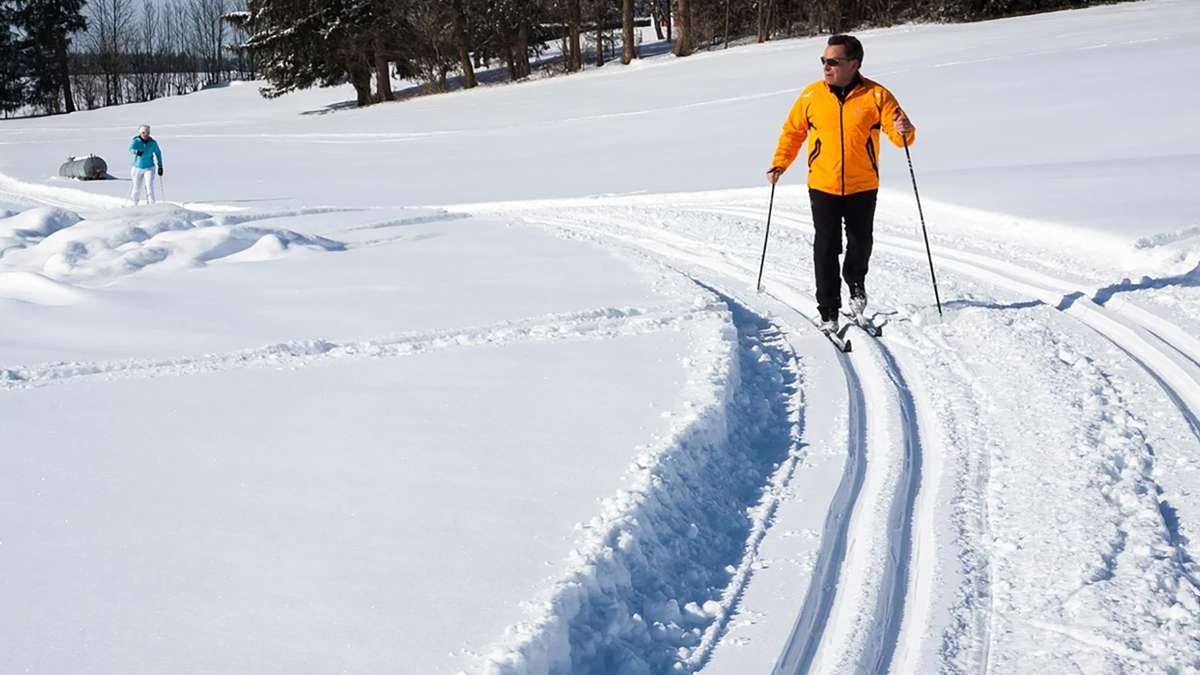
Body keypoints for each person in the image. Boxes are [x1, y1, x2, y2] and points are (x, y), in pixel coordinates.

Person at [767, 34, 915, 333]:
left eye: (833, 61)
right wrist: (780, 162)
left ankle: (856, 286)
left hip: (863, 185)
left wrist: (905, 129)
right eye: (824, 60)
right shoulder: (811, 96)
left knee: (861, 243)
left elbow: (900, 135)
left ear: (854, 64)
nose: (826, 66)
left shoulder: (877, 96)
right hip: (823, 185)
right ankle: (829, 309)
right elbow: (792, 132)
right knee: (826, 246)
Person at [129, 124, 163, 205]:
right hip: (137, 168)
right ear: (140, 133)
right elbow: (131, 149)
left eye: (147, 132)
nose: (146, 134)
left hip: (149, 168)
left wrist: (160, 166)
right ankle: (134, 204)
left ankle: (151, 205)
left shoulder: (153, 143)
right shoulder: (136, 141)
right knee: (136, 187)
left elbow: (158, 153)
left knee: (149, 187)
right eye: (143, 133)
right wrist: (136, 151)